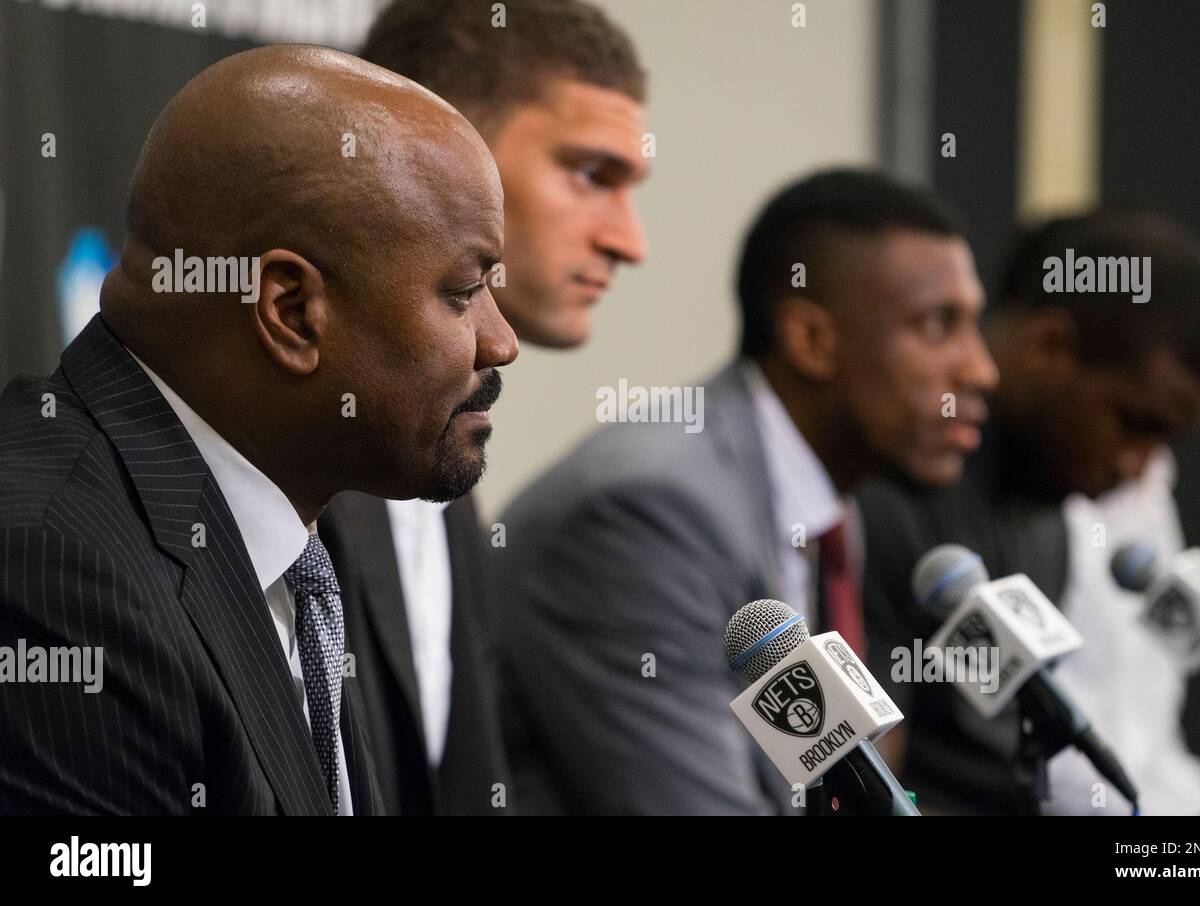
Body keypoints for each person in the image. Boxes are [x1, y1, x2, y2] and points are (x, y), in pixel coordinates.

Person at [0, 45, 517, 815]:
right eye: (465, 291)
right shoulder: (55, 573)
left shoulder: (284, 533)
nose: (500, 341)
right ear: (291, 312)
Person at [494, 169, 998, 814]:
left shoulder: (830, 504)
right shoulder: (648, 514)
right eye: (937, 325)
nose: (981, 369)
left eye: (974, 325)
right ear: (811, 340)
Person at [317, 0, 650, 815]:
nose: (630, 240)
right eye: (590, 174)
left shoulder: (450, 473)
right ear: (439, 143)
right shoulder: (295, 460)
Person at [856, 209, 1200, 814]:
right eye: (1134, 425)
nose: (1137, 468)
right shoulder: (897, 491)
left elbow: (1011, 759)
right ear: (1048, 346)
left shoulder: (1047, 519)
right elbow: (866, 784)